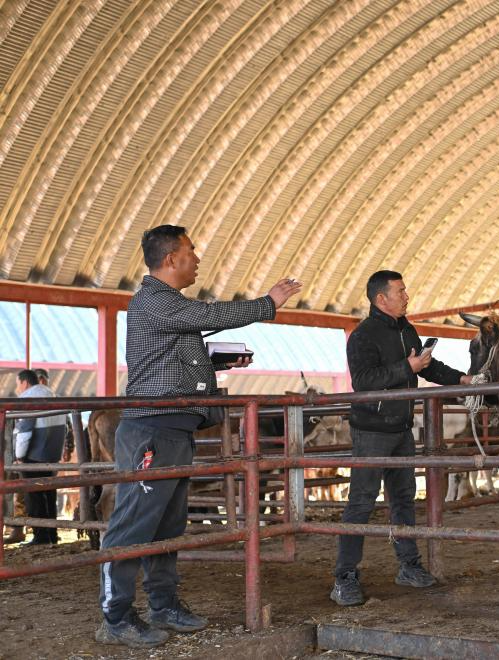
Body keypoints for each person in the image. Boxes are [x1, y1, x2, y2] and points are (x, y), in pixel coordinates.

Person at [95, 225, 301, 648]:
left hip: (174, 428)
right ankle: (115, 617)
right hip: (153, 428)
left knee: (166, 524)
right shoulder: (155, 300)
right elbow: (208, 315)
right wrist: (267, 304)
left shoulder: (168, 306)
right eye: (191, 250)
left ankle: (163, 604)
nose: (197, 258)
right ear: (171, 258)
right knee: (133, 524)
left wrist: (216, 364)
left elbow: (175, 354)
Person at [331, 270, 472, 607]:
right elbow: (364, 381)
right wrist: (407, 367)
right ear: (382, 298)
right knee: (361, 502)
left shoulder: (406, 329)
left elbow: (427, 366)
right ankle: (344, 577)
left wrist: (461, 380)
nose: (407, 296)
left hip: (401, 429)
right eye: (401, 291)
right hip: (372, 431)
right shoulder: (363, 336)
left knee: (404, 499)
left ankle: (408, 566)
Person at [12, 369, 66, 545]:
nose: (17, 388)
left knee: (34, 495)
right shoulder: (53, 395)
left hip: (34, 454)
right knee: (49, 493)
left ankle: (40, 536)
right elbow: (65, 427)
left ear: (25, 382)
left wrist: (19, 455)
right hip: (52, 453)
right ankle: (52, 534)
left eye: (18, 384)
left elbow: (24, 430)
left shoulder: (28, 398)